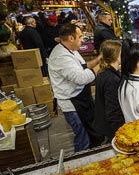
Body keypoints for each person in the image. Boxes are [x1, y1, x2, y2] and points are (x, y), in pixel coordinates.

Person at [48, 22, 102, 151]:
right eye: (80, 36)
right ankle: (79, 165)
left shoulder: (71, 50)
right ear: (71, 38)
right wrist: (102, 65)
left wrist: (99, 58)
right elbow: (81, 78)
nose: (82, 40)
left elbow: (83, 67)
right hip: (72, 104)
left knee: (90, 134)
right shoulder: (60, 56)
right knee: (82, 139)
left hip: (81, 99)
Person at [92, 39, 124, 141]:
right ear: (116, 56)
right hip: (111, 128)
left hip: (103, 122)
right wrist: (121, 135)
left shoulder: (104, 71)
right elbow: (113, 111)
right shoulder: (111, 79)